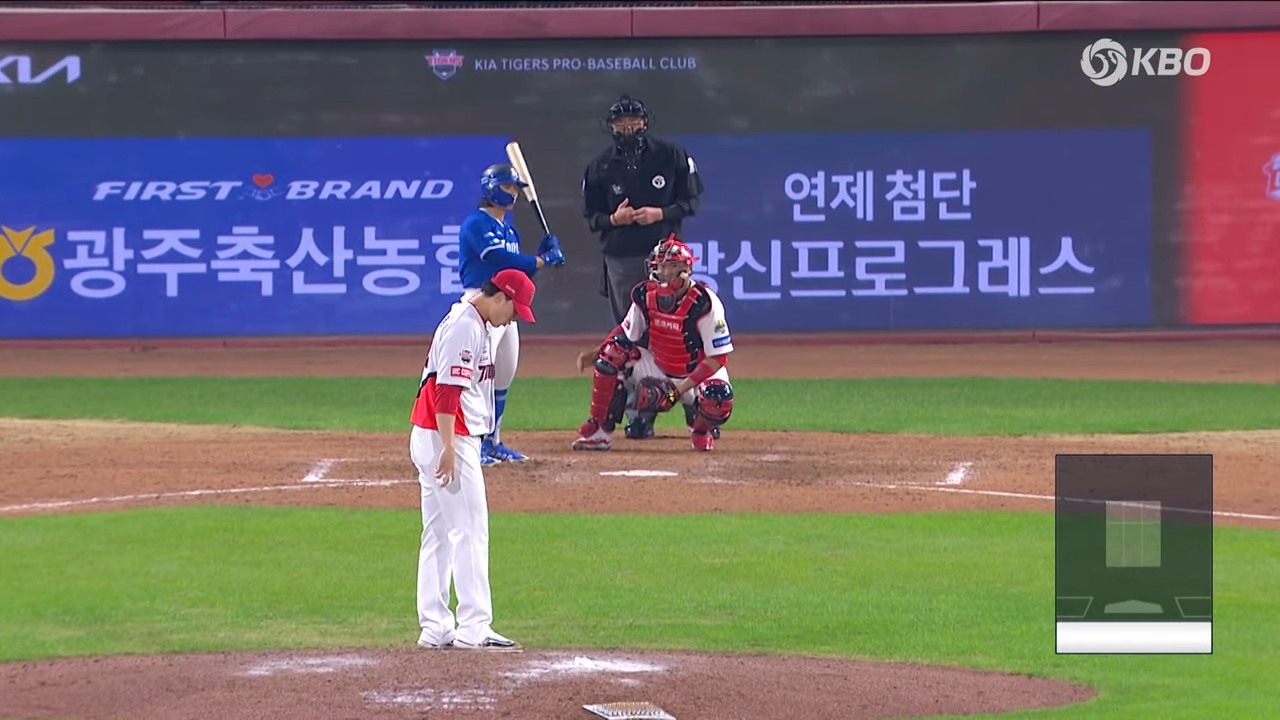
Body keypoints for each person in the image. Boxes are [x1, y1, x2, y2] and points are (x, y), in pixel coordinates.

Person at [409, 267, 538, 653]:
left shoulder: (474, 321)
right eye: (514, 310)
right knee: (469, 530)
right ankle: (474, 627)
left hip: (432, 435)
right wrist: (449, 448)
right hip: (449, 436)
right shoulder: (466, 326)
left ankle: (435, 627)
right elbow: (446, 391)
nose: (513, 319)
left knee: (438, 533)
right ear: (500, 296)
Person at [581, 95, 704, 441]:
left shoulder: (672, 154)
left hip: (668, 259)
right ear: (611, 126)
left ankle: (696, 406)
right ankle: (640, 414)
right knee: (631, 336)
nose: (628, 127)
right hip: (622, 257)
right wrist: (615, 219)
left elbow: (692, 201)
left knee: (683, 331)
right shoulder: (600, 166)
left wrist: (659, 213)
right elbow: (592, 218)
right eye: (621, 122)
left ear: (645, 122)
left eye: (633, 120)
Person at [571, 235, 734, 453]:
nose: (665, 273)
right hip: (659, 366)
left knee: (718, 394)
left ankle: (701, 430)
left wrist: (676, 392)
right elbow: (625, 333)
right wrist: (596, 352)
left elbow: (718, 357)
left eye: (672, 266)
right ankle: (599, 431)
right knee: (613, 352)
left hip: (694, 373)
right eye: (661, 267)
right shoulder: (645, 294)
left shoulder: (705, 302)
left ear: (687, 269)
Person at [459, 162, 565, 466]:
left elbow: (515, 272)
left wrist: (541, 257)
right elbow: (498, 258)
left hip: (506, 306)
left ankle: (493, 440)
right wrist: (541, 260)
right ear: (491, 188)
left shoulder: (509, 229)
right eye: (507, 187)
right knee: (480, 374)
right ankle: (473, 441)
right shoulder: (477, 223)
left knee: (504, 372)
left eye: (515, 188)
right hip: (482, 301)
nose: (513, 193)